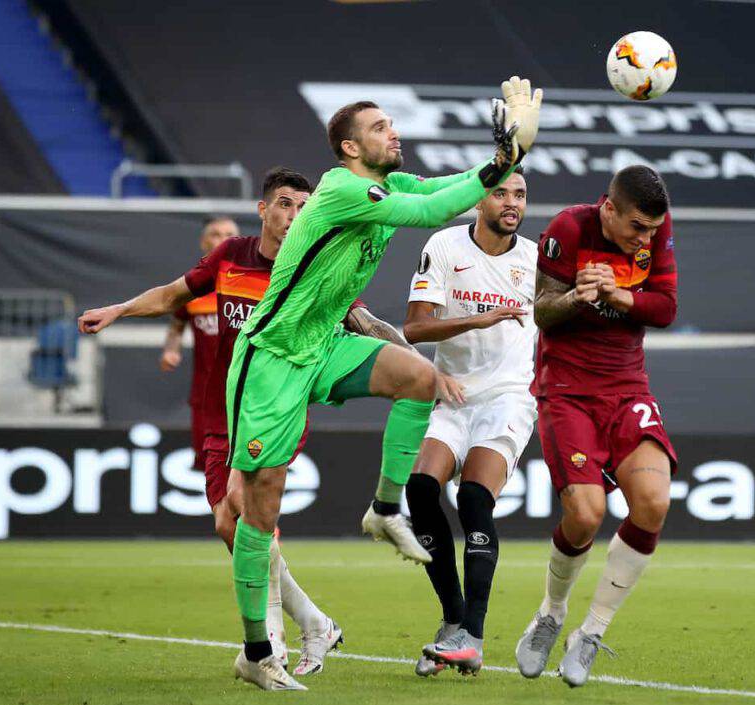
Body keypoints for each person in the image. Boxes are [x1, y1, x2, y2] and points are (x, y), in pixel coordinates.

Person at [224, 77, 543, 690]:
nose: (393, 133)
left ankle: (383, 508)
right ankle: (257, 652)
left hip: (327, 344)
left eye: (392, 125)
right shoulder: (345, 190)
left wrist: (504, 162)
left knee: (421, 379)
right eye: (379, 127)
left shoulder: (387, 182)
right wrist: (504, 161)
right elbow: (430, 213)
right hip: (273, 356)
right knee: (260, 508)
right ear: (348, 148)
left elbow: (445, 191)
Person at [77, 167, 415, 677]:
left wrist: (414, 364)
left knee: (244, 507)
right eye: (284, 204)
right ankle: (314, 622)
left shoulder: (317, 264)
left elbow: (362, 320)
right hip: (219, 413)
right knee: (227, 524)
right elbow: (174, 295)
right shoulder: (232, 257)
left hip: (276, 408)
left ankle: (267, 648)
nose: (294, 215)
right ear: (264, 210)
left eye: (304, 206)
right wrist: (119, 310)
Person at [513, 165, 678, 687]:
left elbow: (666, 308)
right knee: (586, 515)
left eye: (652, 230)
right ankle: (550, 613)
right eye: (636, 228)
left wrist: (617, 294)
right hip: (567, 388)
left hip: (628, 387)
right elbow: (542, 312)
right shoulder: (568, 229)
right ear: (608, 209)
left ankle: (591, 631)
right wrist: (576, 298)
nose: (645, 239)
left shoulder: (655, 231)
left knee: (653, 503)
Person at [403, 167, 537, 677]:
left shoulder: (536, 262)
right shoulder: (444, 246)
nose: (511, 202)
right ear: (478, 201)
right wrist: (475, 319)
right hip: (453, 393)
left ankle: (473, 637)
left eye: (520, 194)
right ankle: (453, 620)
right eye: (500, 192)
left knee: (474, 498)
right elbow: (415, 327)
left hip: (509, 397)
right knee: (420, 489)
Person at [158, 215, 238, 477]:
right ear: (204, 242)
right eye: (216, 234)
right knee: (212, 470)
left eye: (229, 234)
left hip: (247, 395)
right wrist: (172, 348)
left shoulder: (255, 285)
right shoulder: (193, 289)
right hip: (205, 396)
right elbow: (176, 326)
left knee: (247, 470)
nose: (222, 239)